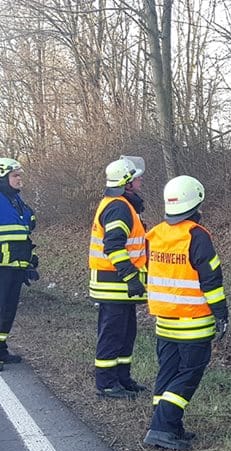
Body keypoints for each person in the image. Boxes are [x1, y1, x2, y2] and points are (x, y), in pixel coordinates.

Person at [143, 175, 228, 451]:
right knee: (188, 375)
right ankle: (161, 428)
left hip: (164, 321)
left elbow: (149, 271)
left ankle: (169, 425)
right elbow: (211, 280)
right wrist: (221, 313)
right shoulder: (197, 236)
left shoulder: (155, 234)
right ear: (196, 202)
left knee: (168, 374)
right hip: (193, 323)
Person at [88, 156, 149, 399]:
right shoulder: (118, 207)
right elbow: (113, 246)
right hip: (113, 284)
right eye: (137, 178)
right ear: (126, 182)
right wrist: (131, 276)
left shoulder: (123, 205)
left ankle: (122, 378)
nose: (140, 181)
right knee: (112, 335)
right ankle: (106, 383)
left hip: (118, 287)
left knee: (126, 334)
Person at [0, 158, 38, 371]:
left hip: (15, 264)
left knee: (8, 310)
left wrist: (29, 260)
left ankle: (1, 348)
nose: (19, 179)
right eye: (15, 175)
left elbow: (25, 231)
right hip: (2, 266)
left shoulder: (16, 200)